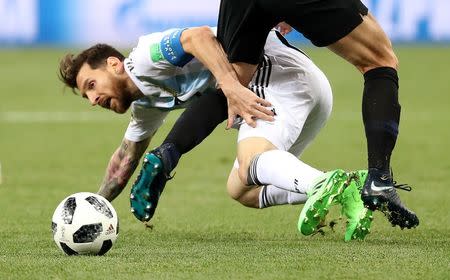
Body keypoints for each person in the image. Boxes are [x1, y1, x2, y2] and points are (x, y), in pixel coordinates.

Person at [58, 26, 371, 240]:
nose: (92, 99)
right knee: (242, 189)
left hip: (274, 75)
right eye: (86, 95)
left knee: (251, 163)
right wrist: (94, 204)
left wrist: (231, 86)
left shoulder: (144, 57)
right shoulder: (146, 104)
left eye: (91, 85)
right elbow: (124, 160)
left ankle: (322, 184)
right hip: (306, 89)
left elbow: (199, 36)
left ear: (114, 64)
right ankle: (348, 188)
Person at [180, 1, 419, 230]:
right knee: (380, 61)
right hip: (296, 87)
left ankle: (166, 154)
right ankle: (378, 178)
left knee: (233, 81)